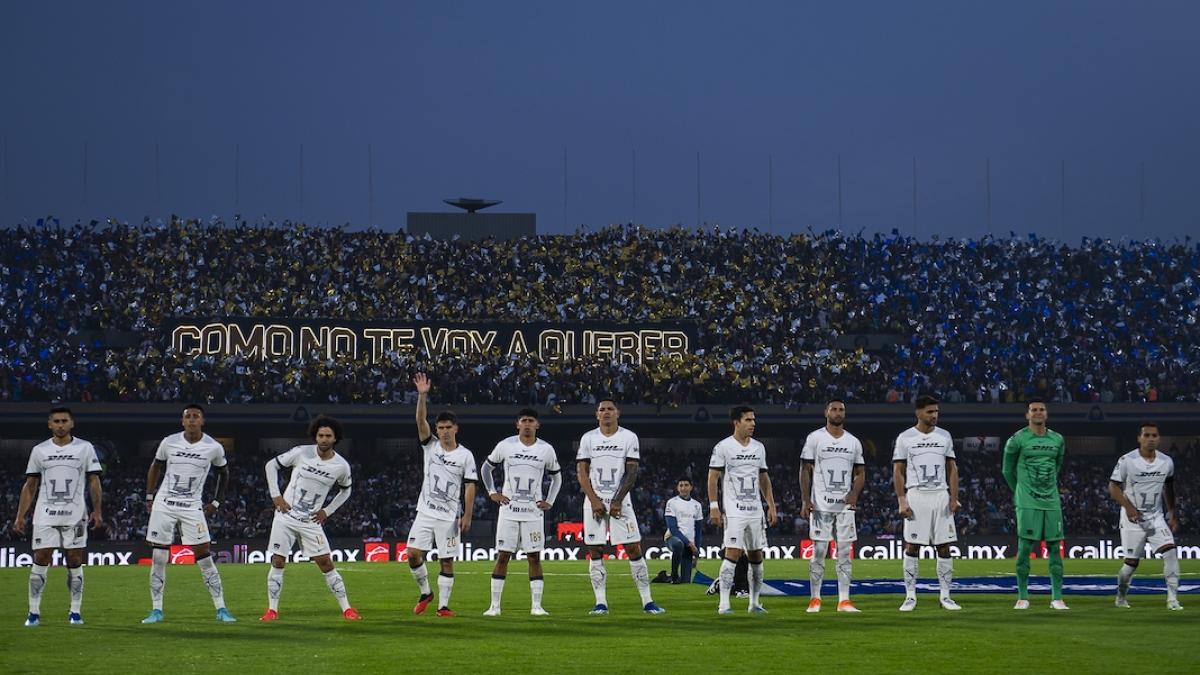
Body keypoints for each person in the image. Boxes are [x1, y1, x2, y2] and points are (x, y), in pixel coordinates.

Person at [141, 403, 235, 623]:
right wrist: (149, 495)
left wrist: (217, 502)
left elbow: (225, 473)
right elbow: (156, 466)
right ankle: (156, 610)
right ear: (182, 421)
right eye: (188, 416)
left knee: (203, 556)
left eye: (196, 416)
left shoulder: (213, 447)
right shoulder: (169, 442)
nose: (192, 420)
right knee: (158, 556)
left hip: (192, 506)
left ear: (202, 421)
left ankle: (221, 609)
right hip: (165, 504)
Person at [260, 415, 359, 622]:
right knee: (278, 561)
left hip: (310, 522)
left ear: (335, 439)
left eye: (327, 436)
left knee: (326, 563)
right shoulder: (301, 452)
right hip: (285, 517)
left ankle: (347, 609)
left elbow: (346, 491)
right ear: (315, 436)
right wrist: (276, 496)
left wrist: (328, 511)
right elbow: (271, 465)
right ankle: (272, 610)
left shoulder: (341, 466)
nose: (323, 439)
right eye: (320, 435)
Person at [13, 407, 103, 627]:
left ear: (72, 423)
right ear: (49, 424)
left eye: (64, 420)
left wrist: (97, 510)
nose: (60, 424)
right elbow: (30, 484)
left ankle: (75, 611)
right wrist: (20, 516)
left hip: (75, 515)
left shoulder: (85, 448)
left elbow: (94, 481)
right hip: (45, 514)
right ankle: (33, 612)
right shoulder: (39, 450)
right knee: (42, 557)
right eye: (56, 421)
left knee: (74, 560)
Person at [576, 397, 665, 615]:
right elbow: (581, 472)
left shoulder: (628, 437)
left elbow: (632, 471)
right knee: (595, 550)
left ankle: (647, 602)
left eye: (610, 409)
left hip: (621, 502)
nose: (606, 412)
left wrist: (617, 500)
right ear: (597, 414)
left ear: (618, 413)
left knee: (633, 548)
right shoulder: (588, 438)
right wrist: (594, 500)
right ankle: (601, 603)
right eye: (602, 410)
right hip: (593, 502)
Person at [481, 408, 562, 616]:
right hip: (508, 512)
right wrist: (492, 493)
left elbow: (557, 477)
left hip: (533, 513)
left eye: (531, 420)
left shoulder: (546, 449)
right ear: (518, 424)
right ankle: (494, 606)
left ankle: (536, 606)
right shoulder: (505, 445)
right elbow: (486, 468)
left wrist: (550, 501)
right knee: (503, 556)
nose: (527, 424)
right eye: (523, 420)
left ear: (537, 425)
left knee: (534, 557)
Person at [408, 372, 477, 617]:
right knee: (413, 554)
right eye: (441, 428)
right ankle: (426, 592)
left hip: (449, 517)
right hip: (425, 512)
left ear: (456, 428)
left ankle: (443, 606)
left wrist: (467, 515)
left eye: (448, 427)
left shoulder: (465, 455)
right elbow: (419, 421)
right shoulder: (431, 445)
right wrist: (422, 396)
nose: (445, 431)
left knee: (446, 561)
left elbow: (470, 486)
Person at [892, 395, 961, 611]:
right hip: (917, 495)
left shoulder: (945, 436)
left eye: (936, 411)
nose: (934, 415)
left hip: (940, 495)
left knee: (944, 546)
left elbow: (952, 468)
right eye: (930, 412)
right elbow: (898, 471)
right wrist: (902, 500)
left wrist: (953, 497)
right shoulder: (905, 438)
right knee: (913, 546)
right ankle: (910, 596)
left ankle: (945, 597)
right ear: (918, 413)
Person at [708, 405, 778, 614]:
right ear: (736, 422)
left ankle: (754, 603)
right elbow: (713, 478)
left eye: (753, 420)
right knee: (733, 554)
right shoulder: (723, 447)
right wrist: (714, 507)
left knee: (757, 557)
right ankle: (723, 604)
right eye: (748, 420)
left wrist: (771, 505)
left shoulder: (759, 447)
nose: (753, 424)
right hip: (734, 510)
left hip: (755, 511)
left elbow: (763, 478)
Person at [1002, 398, 1068, 610]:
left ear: (1046, 414)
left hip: (1051, 501)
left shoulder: (1057, 439)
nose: (1038, 413)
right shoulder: (1017, 440)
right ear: (1027, 415)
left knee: (1055, 549)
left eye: (1041, 409)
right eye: (1034, 410)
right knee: (1024, 548)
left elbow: (1057, 466)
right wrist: (1021, 492)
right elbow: (1007, 471)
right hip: (1027, 502)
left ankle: (1057, 598)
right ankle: (1022, 597)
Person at [800, 399, 866, 613]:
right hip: (820, 505)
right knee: (819, 550)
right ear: (826, 412)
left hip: (845, 507)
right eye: (834, 409)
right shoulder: (815, 438)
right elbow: (804, 469)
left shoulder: (853, 442)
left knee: (845, 552)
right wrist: (805, 499)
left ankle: (844, 600)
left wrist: (854, 493)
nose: (838, 413)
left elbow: (860, 473)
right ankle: (815, 598)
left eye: (841, 410)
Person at [1108, 422, 1182, 610]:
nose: (1150, 439)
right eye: (1147, 435)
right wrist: (1128, 507)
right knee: (1131, 564)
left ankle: (1172, 599)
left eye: (1154, 436)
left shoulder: (1166, 462)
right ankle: (1121, 596)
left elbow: (1169, 488)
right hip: (1131, 519)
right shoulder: (1127, 460)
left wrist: (1172, 513)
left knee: (1171, 552)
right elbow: (1113, 487)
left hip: (1156, 517)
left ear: (1159, 439)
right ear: (1139, 438)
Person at [665, 477, 704, 584]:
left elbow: (698, 531)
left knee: (685, 581)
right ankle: (673, 575)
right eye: (681, 485)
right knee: (678, 544)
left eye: (686, 485)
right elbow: (673, 529)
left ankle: (664, 577)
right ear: (677, 488)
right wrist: (689, 544)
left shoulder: (697, 505)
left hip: (689, 545)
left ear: (691, 487)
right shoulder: (671, 503)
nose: (683, 488)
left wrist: (696, 552)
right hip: (672, 539)